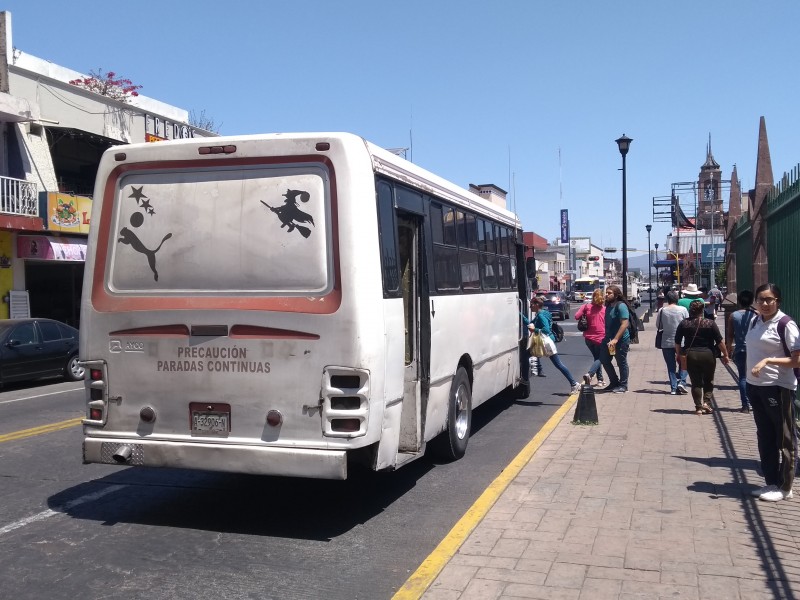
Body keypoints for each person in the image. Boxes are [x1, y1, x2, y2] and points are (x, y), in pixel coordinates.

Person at [745, 283, 800, 502]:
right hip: (755, 386)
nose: (765, 304)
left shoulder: (786, 324)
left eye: (770, 300)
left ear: (778, 301)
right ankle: (771, 482)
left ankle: (785, 487)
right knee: (764, 436)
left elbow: (797, 360)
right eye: (761, 300)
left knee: (785, 438)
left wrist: (768, 360)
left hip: (778, 387)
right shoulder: (754, 320)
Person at [674, 299, 730, 415]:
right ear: (702, 310)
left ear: (690, 310)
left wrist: (679, 354)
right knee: (708, 380)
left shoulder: (684, 323)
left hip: (691, 355)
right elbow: (719, 341)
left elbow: (677, 341)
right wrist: (725, 354)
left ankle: (698, 407)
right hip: (708, 354)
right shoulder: (710, 323)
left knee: (696, 382)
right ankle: (706, 402)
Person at [526, 296, 580, 394]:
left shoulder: (541, 315)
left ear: (537, 305)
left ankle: (574, 383)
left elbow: (546, 329)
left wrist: (535, 330)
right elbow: (530, 323)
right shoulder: (542, 313)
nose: (530, 307)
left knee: (558, 364)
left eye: (532, 305)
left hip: (546, 342)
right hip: (547, 340)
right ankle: (537, 370)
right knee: (528, 355)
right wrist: (520, 315)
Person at [726, 290, 757, 413]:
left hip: (740, 350)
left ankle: (745, 405)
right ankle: (755, 403)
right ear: (752, 301)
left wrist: (728, 350)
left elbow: (729, 335)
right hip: (755, 350)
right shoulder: (757, 315)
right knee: (755, 377)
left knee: (743, 377)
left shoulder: (733, 316)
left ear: (738, 301)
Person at [655, 290, 689, 395]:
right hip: (682, 341)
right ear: (677, 299)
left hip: (666, 341)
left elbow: (659, 326)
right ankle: (682, 382)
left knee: (671, 366)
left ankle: (673, 388)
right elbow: (687, 324)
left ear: (667, 299)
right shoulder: (683, 310)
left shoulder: (662, 310)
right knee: (684, 363)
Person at [600, 285, 631, 394]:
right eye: (606, 293)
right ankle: (614, 382)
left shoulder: (621, 306)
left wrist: (616, 339)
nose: (607, 295)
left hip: (620, 340)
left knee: (621, 362)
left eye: (609, 293)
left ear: (616, 295)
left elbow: (624, 324)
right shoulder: (608, 306)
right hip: (608, 340)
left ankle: (623, 385)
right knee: (604, 359)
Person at [574, 288, 606, 387]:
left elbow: (576, 316)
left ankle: (600, 380)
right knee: (601, 358)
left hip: (588, 338)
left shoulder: (586, 306)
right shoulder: (605, 309)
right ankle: (590, 374)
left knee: (596, 358)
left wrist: (584, 312)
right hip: (601, 337)